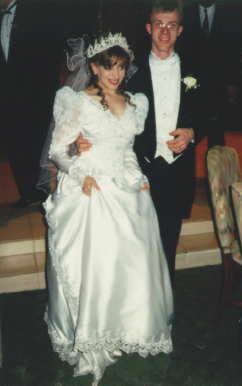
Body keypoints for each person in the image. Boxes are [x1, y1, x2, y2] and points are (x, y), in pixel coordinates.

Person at [44, 33, 173, 385]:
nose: (115, 74)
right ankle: (94, 333)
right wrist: (78, 171)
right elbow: (58, 150)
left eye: (120, 67)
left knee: (131, 265)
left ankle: (127, 328)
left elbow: (128, 149)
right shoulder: (76, 101)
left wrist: (139, 177)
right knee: (99, 267)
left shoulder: (135, 102)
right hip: (92, 185)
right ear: (93, 67)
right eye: (107, 66)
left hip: (128, 187)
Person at [77, 0, 204, 286]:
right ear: (149, 28)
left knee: (169, 243)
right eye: (159, 24)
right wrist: (81, 139)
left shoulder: (195, 68)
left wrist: (193, 132)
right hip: (138, 171)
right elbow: (101, 108)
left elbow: (212, 112)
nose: (164, 31)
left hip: (177, 170)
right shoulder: (127, 73)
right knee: (135, 244)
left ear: (180, 30)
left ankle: (164, 308)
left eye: (171, 25)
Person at [0, 0, 66, 208]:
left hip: (34, 93)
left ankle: (42, 194)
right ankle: (27, 193)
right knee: (15, 144)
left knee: (37, 142)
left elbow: (51, 49)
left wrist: (41, 89)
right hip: (7, 94)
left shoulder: (37, 11)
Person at [179, 0, 242, 148]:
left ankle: (216, 170)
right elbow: (181, 50)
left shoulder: (229, 13)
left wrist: (233, 83)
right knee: (189, 136)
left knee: (217, 138)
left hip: (219, 88)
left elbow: (235, 51)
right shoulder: (186, 13)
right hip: (191, 88)